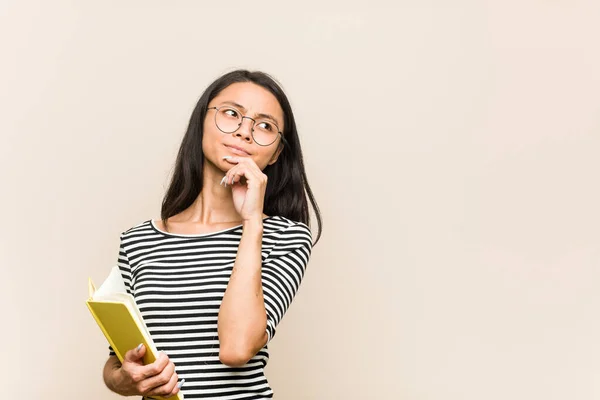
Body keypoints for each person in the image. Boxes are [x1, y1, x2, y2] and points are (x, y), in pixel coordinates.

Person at [101, 69, 322, 400]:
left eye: (265, 126)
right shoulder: (137, 241)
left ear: (276, 153)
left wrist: (252, 222)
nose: (244, 132)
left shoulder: (284, 237)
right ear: (200, 123)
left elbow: (236, 348)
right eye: (231, 114)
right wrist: (123, 381)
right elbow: (117, 360)